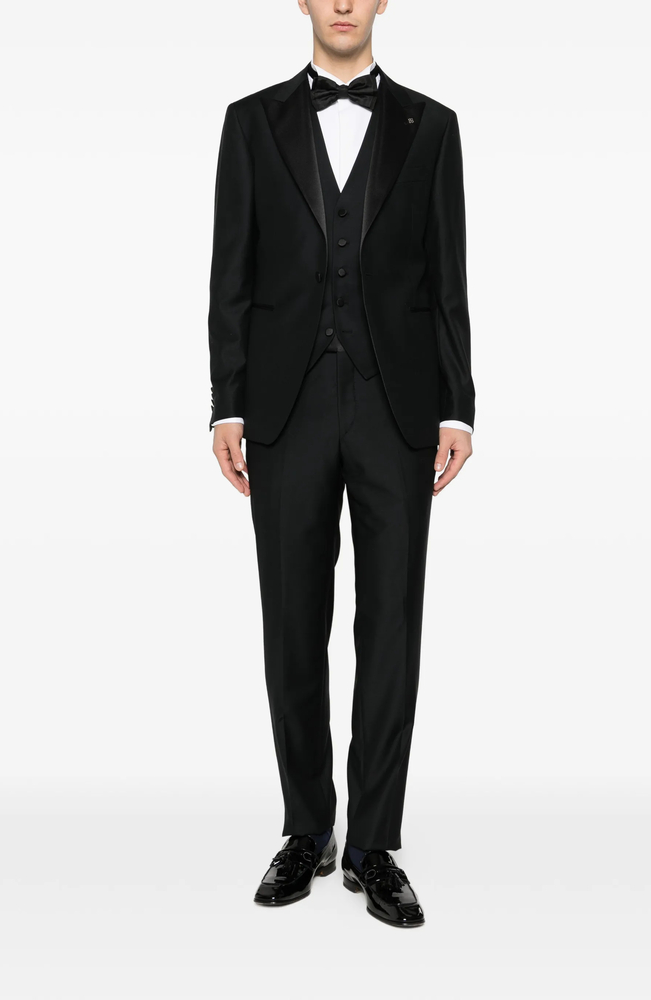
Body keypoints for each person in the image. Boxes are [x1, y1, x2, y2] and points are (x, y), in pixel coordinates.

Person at [207, 0, 475, 928]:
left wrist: (456, 404)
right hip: (285, 405)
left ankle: (373, 845)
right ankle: (307, 827)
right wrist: (228, 401)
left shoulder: (433, 127)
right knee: (292, 619)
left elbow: (448, 274)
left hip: (398, 405)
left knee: (391, 621)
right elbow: (230, 272)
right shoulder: (250, 123)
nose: (345, 3)